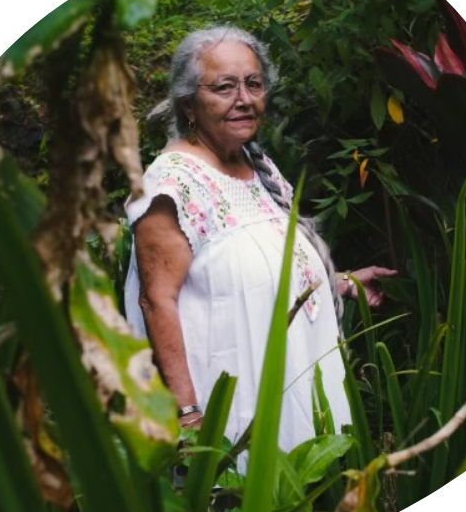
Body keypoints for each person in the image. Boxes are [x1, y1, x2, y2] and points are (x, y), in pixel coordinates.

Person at [123, 26, 396, 470]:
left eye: (253, 83)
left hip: (289, 383)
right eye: (224, 87)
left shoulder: (254, 164)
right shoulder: (172, 184)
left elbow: (269, 266)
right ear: (189, 104)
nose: (244, 98)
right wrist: (189, 418)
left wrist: (340, 284)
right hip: (231, 403)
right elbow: (157, 300)